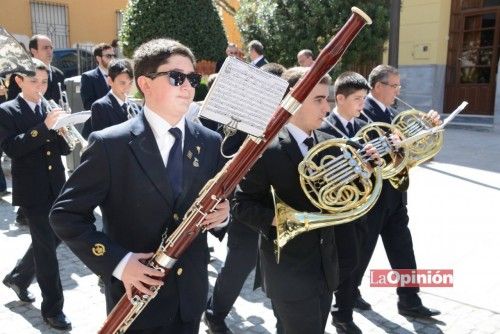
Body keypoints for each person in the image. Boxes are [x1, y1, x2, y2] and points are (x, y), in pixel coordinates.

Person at [50, 38, 230, 333]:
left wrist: (223, 216)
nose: (188, 86)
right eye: (177, 77)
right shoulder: (111, 144)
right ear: (145, 84)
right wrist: (120, 263)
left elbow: (220, 206)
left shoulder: (209, 141)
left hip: (190, 297)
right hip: (135, 299)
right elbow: (65, 215)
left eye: (193, 78)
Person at [232, 67, 339, 334]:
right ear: (294, 100)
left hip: (325, 267)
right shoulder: (266, 149)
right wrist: (280, 218)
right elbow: (241, 205)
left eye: (327, 99)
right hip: (288, 271)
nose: (327, 107)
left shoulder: (331, 143)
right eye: (318, 99)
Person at [203, 62, 286, 334]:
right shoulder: (244, 121)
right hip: (246, 205)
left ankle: (285, 321)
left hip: (275, 207)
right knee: (241, 263)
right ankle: (214, 314)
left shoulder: (286, 119)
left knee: (277, 265)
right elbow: (226, 160)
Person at [356, 64, 441, 319]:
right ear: (378, 86)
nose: (398, 90)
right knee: (361, 249)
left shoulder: (392, 112)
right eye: (394, 85)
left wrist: (427, 129)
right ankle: (346, 294)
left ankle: (409, 300)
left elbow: (406, 150)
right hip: (374, 196)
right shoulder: (362, 112)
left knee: (402, 247)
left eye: (398, 86)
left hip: (396, 194)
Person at [0, 58, 72, 330]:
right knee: (47, 253)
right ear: (19, 81)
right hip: (33, 191)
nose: (41, 87)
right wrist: (44, 128)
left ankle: (19, 277)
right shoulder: (7, 110)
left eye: (44, 82)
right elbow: (12, 148)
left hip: (57, 185)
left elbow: (63, 150)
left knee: (54, 239)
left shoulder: (49, 106)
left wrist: (64, 131)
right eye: (34, 81)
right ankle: (53, 309)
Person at [320, 72, 372, 334]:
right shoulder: (324, 128)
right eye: (357, 99)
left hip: (360, 207)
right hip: (338, 209)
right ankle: (339, 312)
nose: (362, 105)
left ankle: (343, 311)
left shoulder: (363, 125)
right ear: (339, 98)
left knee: (356, 260)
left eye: (364, 98)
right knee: (347, 262)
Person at [7, 35, 65, 103]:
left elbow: (62, 100)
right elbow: (13, 104)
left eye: (51, 48)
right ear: (34, 51)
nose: (50, 51)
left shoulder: (59, 74)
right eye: (45, 48)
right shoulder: (22, 73)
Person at [89, 58, 140, 133]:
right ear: (110, 81)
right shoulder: (100, 106)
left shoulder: (137, 107)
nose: (127, 88)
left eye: (130, 83)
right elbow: (101, 140)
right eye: (122, 83)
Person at [80, 43, 114, 138]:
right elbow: (88, 104)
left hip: (114, 128)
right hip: (96, 129)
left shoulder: (117, 76)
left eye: (113, 56)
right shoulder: (88, 77)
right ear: (98, 58)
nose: (112, 59)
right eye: (108, 56)